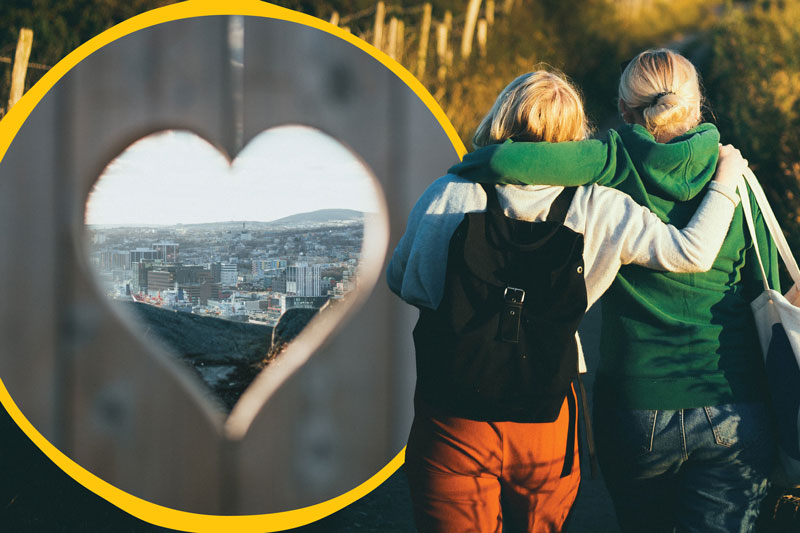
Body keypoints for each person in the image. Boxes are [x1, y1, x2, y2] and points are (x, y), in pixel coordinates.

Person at [387, 68, 747, 533]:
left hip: (454, 413)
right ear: (576, 136)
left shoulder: (450, 191)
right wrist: (725, 179)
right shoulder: (599, 205)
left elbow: (405, 282)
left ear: (500, 118)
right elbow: (690, 252)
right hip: (549, 411)